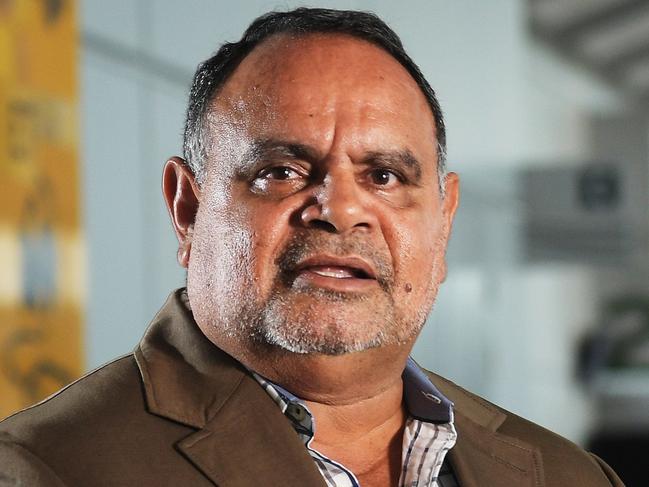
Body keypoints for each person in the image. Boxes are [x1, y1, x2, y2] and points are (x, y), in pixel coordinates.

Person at [0, 8, 624, 487]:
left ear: (444, 219)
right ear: (187, 208)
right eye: (280, 171)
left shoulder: (568, 474)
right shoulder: (47, 468)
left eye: (385, 176)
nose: (342, 210)